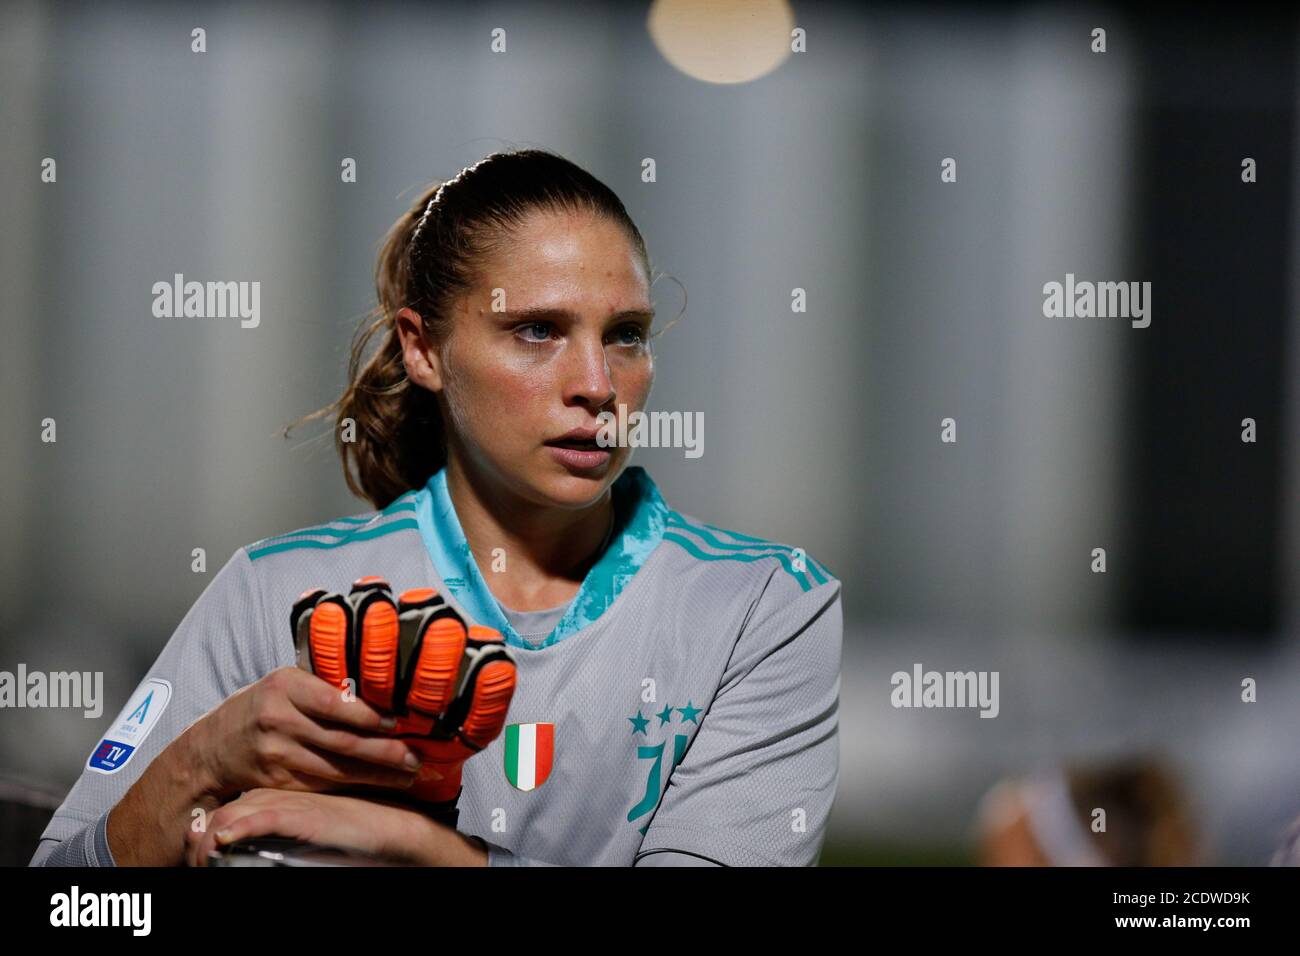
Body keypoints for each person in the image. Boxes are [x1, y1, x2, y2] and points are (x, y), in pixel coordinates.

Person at [30, 148, 842, 867]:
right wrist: (202, 759)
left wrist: (425, 850)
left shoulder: (763, 608)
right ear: (423, 349)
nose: (597, 385)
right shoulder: (268, 591)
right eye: (536, 330)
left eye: (626, 333)